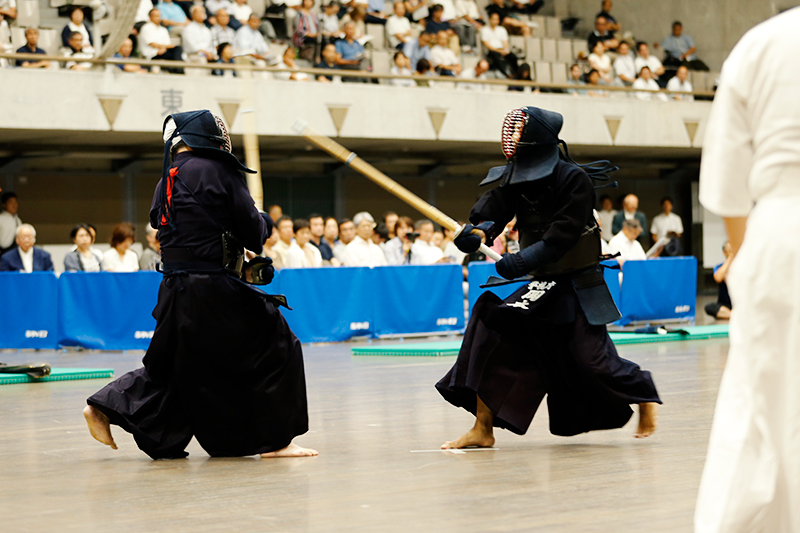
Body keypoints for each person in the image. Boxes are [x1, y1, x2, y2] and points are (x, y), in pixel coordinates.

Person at [83, 109, 316, 459]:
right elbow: (253, 234)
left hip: (175, 288)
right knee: (278, 344)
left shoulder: (167, 178)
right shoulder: (220, 170)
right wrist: (262, 217)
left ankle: (104, 405)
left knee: (180, 365)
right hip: (214, 288)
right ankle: (277, 441)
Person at [436, 107, 660, 450]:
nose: (511, 142)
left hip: (578, 282)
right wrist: (478, 232)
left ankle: (643, 391)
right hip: (542, 283)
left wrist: (519, 261)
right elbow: (495, 207)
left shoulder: (574, 180)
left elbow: (561, 238)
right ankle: (483, 428)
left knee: (591, 360)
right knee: (492, 324)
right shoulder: (515, 177)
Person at [696, 10, 800, 530]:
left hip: (781, 235)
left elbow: (726, 178)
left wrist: (740, 254)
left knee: (755, 409)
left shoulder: (762, 42)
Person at [481, 12, 516, 78]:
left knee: (513, 56)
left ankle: (516, 74)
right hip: (492, 51)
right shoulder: (484, 30)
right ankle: (506, 74)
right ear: (490, 19)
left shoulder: (502, 30)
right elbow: (487, 45)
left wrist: (505, 50)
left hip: (501, 50)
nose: (496, 21)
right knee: (495, 55)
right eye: (494, 19)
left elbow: (505, 43)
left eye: (497, 19)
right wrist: (499, 51)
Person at [704, 241, 732, 321]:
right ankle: (733, 315)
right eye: (729, 251)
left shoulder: (741, 265)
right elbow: (718, 278)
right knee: (709, 307)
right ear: (725, 252)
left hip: (740, 302)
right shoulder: (719, 267)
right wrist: (730, 258)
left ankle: (731, 315)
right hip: (725, 305)